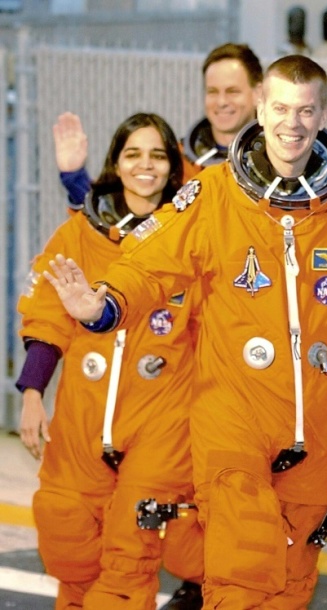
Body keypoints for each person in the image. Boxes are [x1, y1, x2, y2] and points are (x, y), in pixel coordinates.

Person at [43, 54, 327, 607]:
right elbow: (151, 263)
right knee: (241, 564)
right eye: (281, 109)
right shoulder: (215, 193)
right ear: (261, 109)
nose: (292, 123)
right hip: (234, 410)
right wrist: (104, 305)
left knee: (291, 579)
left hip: (324, 417)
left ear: (323, 114)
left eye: (305, 110)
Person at [16, 112, 204, 609]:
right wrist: (33, 392)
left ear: (173, 169)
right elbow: (48, 316)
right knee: (67, 535)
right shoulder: (80, 233)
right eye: (133, 154)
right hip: (83, 415)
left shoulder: (192, 239)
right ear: (115, 164)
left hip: (161, 421)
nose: (146, 165)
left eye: (158, 155)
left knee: (130, 553)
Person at [57, 42, 263, 209]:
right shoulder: (175, 161)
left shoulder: (275, 162)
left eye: (233, 91)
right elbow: (117, 217)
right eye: (212, 92)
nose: (222, 102)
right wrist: (75, 178)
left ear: (258, 93)